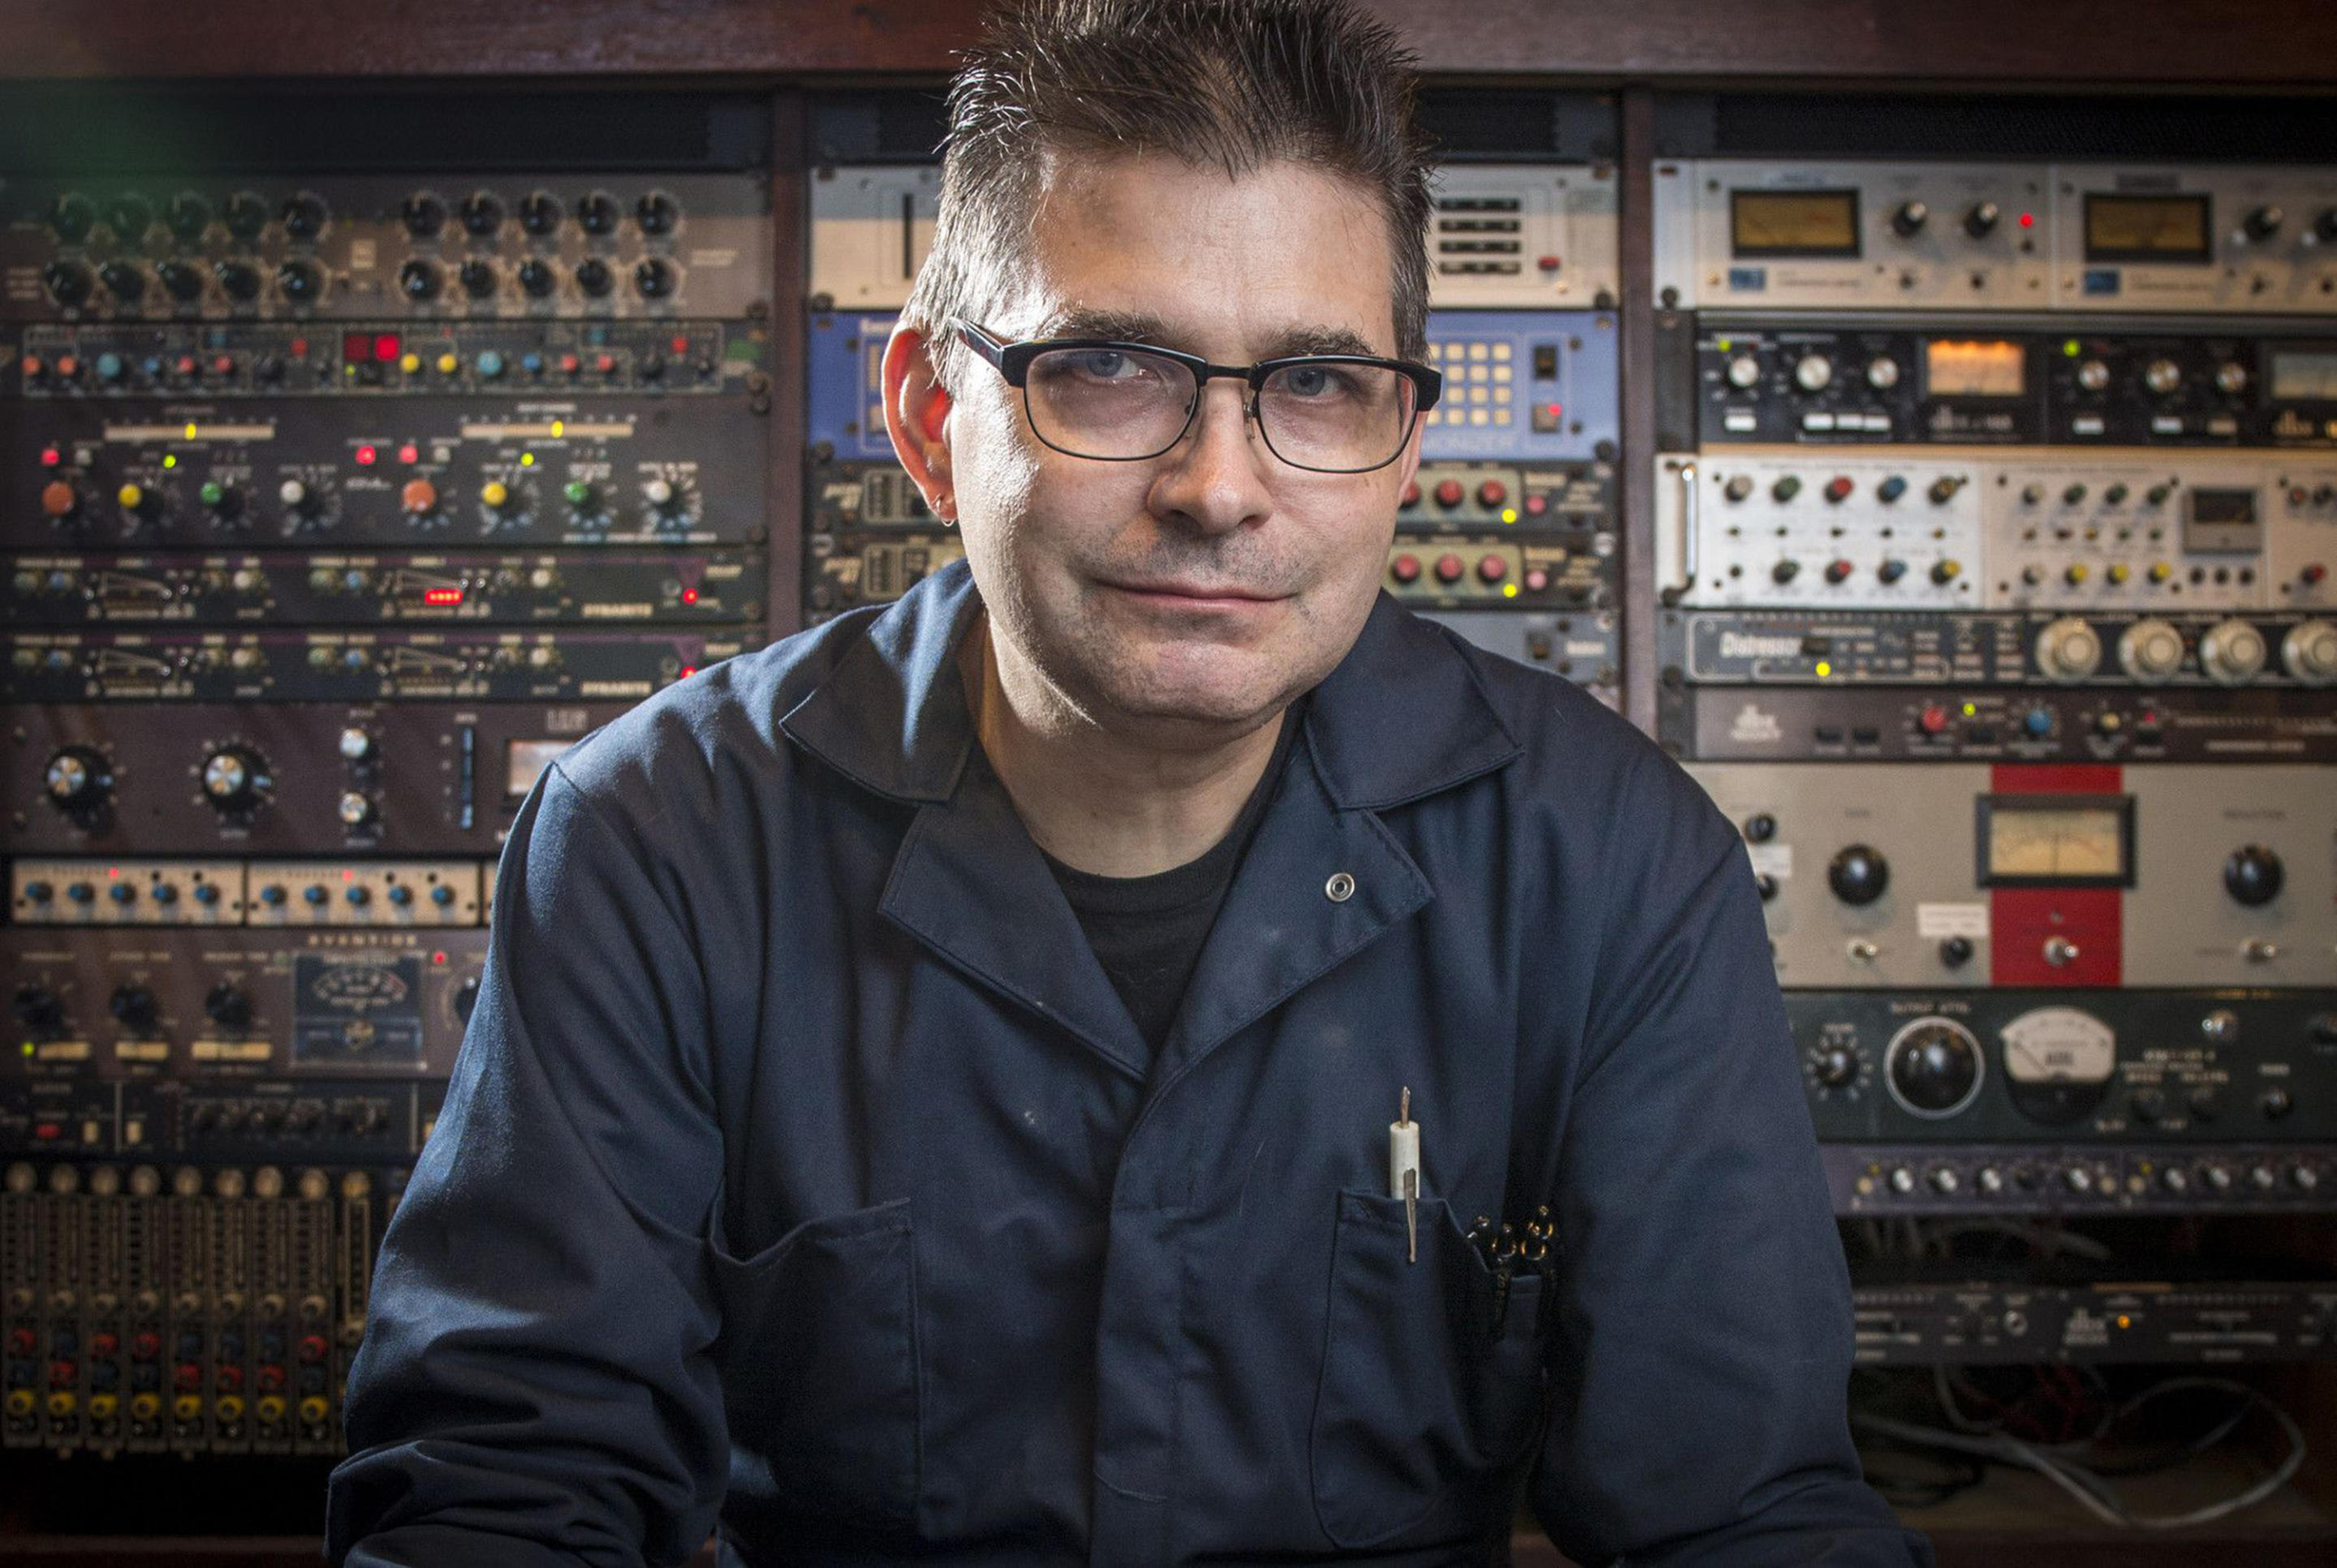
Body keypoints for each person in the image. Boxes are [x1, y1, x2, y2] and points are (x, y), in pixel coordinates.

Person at [326, 1, 1934, 1563]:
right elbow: (506, 1490)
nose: (1220, 489)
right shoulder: (654, 846)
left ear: (1404, 442)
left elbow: (1743, 1517)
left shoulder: (1619, 870)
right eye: (1111, 367)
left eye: (1315, 385)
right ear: (928, 413)